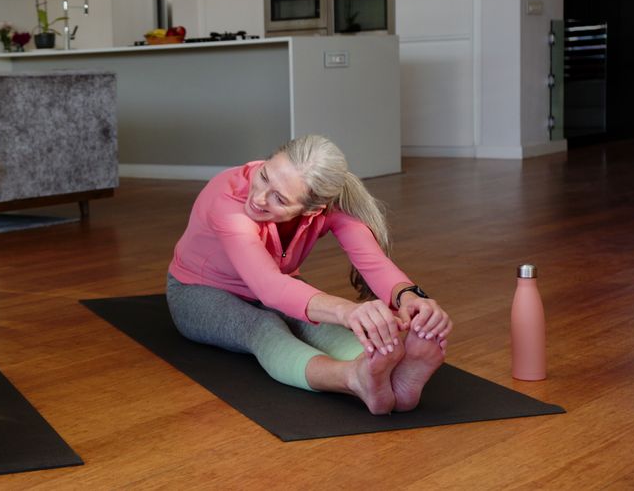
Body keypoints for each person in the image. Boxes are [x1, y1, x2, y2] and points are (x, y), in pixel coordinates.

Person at [167, 134, 452, 414]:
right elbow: (269, 287)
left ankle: (391, 377)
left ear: (314, 209)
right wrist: (347, 311)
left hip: (277, 287)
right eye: (264, 176)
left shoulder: (330, 206)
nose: (259, 198)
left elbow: (372, 262)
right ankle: (353, 377)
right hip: (197, 291)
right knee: (263, 327)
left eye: (279, 198)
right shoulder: (227, 197)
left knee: (320, 325)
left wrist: (409, 297)